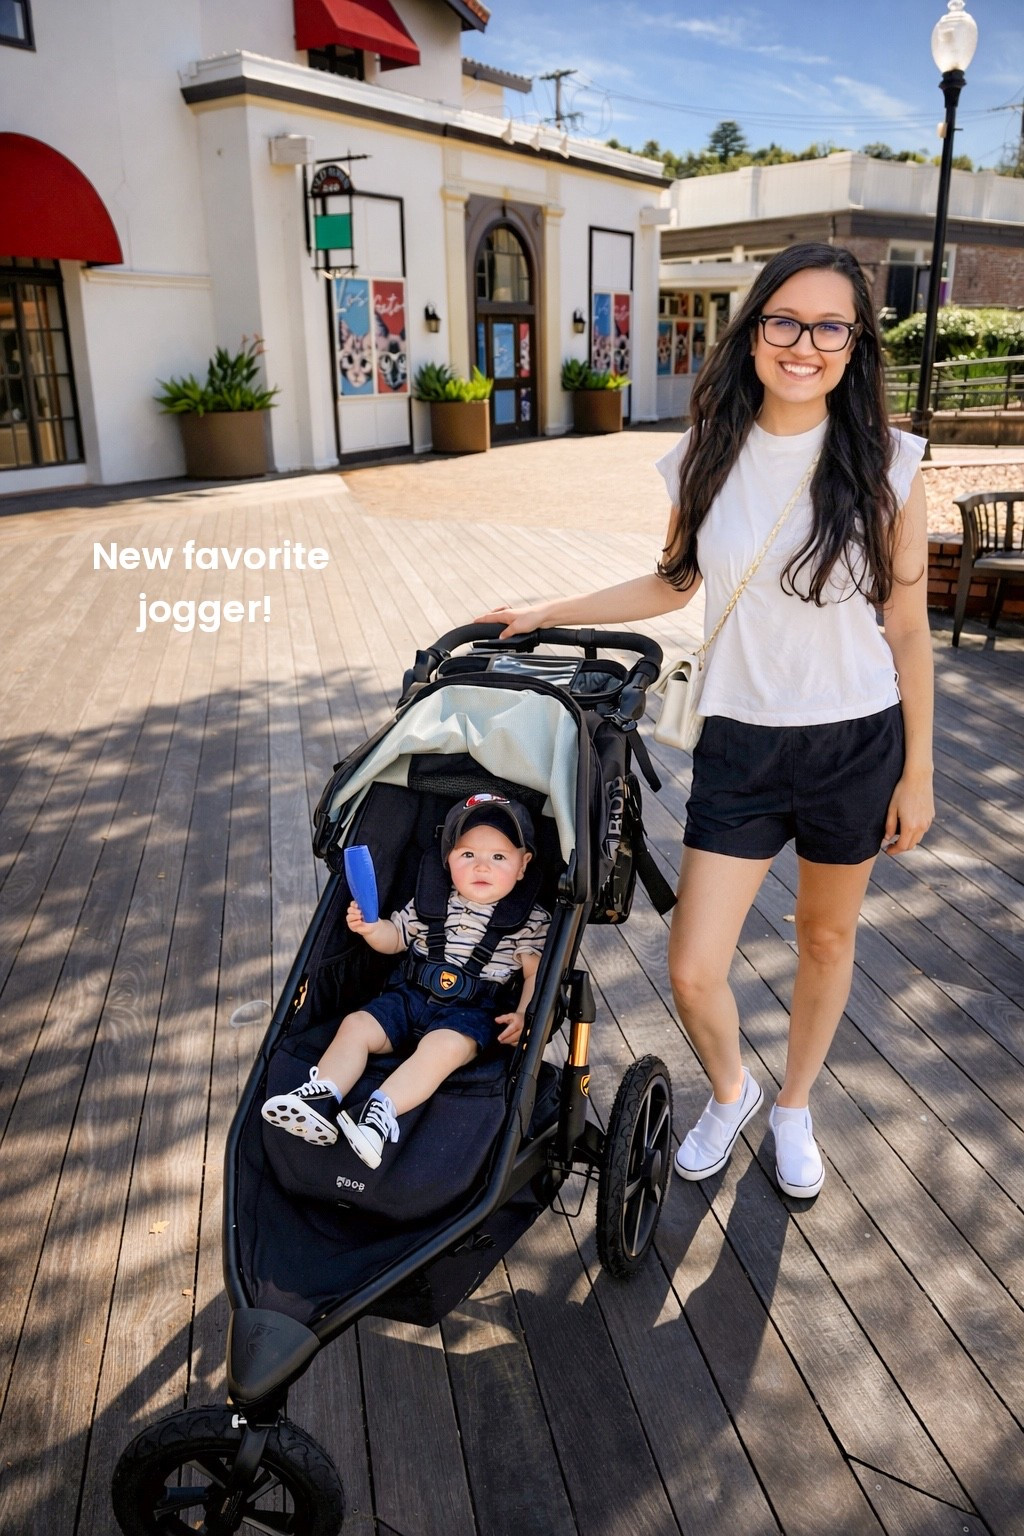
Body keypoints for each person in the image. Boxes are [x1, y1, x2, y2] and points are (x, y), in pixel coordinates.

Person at [477, 243, 934, 1200]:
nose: (803, 344)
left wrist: (918, 770)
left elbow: (907, 627)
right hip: (740, 741)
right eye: (785, 321)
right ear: (756, 326)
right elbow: (675, 578)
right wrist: (548, 612)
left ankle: (795, 1105)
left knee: (825, 941)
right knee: (692, 967)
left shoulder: (891, 464)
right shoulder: (704, 452)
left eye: (829, 327)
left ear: (854, 345)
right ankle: (732, 1091)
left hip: (857, 740)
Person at [262, 793, 549, 1169]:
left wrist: (525, 1014)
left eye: (499, 857)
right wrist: (371, 928)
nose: (482, 867)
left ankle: (380, 1113)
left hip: (470, 1013)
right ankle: (323, 1096)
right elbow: (394, 939)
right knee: (356, 1025)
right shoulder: (429, 901)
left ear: (523, 864)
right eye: (468, 855)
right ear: (448, 859)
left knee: (442, 1048)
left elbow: (533, 976)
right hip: (409, 996)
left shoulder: (529, 920)